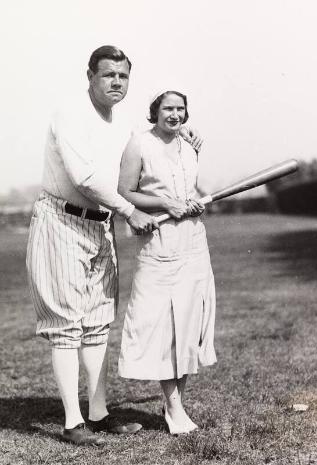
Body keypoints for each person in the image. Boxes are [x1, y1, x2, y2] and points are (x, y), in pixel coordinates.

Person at [26, 45, 202, 446]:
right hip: (61, 220)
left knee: (99, 323)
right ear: (90, 76)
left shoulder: (121, 126)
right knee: (67, 324)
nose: (116, 82)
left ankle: (99, 413)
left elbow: (146, 150)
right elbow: (85, 177)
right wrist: (128, 211)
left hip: (99, 226)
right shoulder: (70, 112)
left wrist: (179, 131)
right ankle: (73, 422)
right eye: (108, 75)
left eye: (123, 76)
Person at [118, 89, 217, 435]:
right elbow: (125, 191)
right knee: (163, 326)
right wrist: (164, 202)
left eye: (180, 109)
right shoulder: (139, 144)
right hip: (158, 245)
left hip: (193, 242)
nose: (173, 115)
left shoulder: (191, 144)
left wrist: (193, 203)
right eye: (167, 108)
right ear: (155, 111)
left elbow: (188, 189)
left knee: (188, 324)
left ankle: (174, 405)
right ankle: (174, 409)